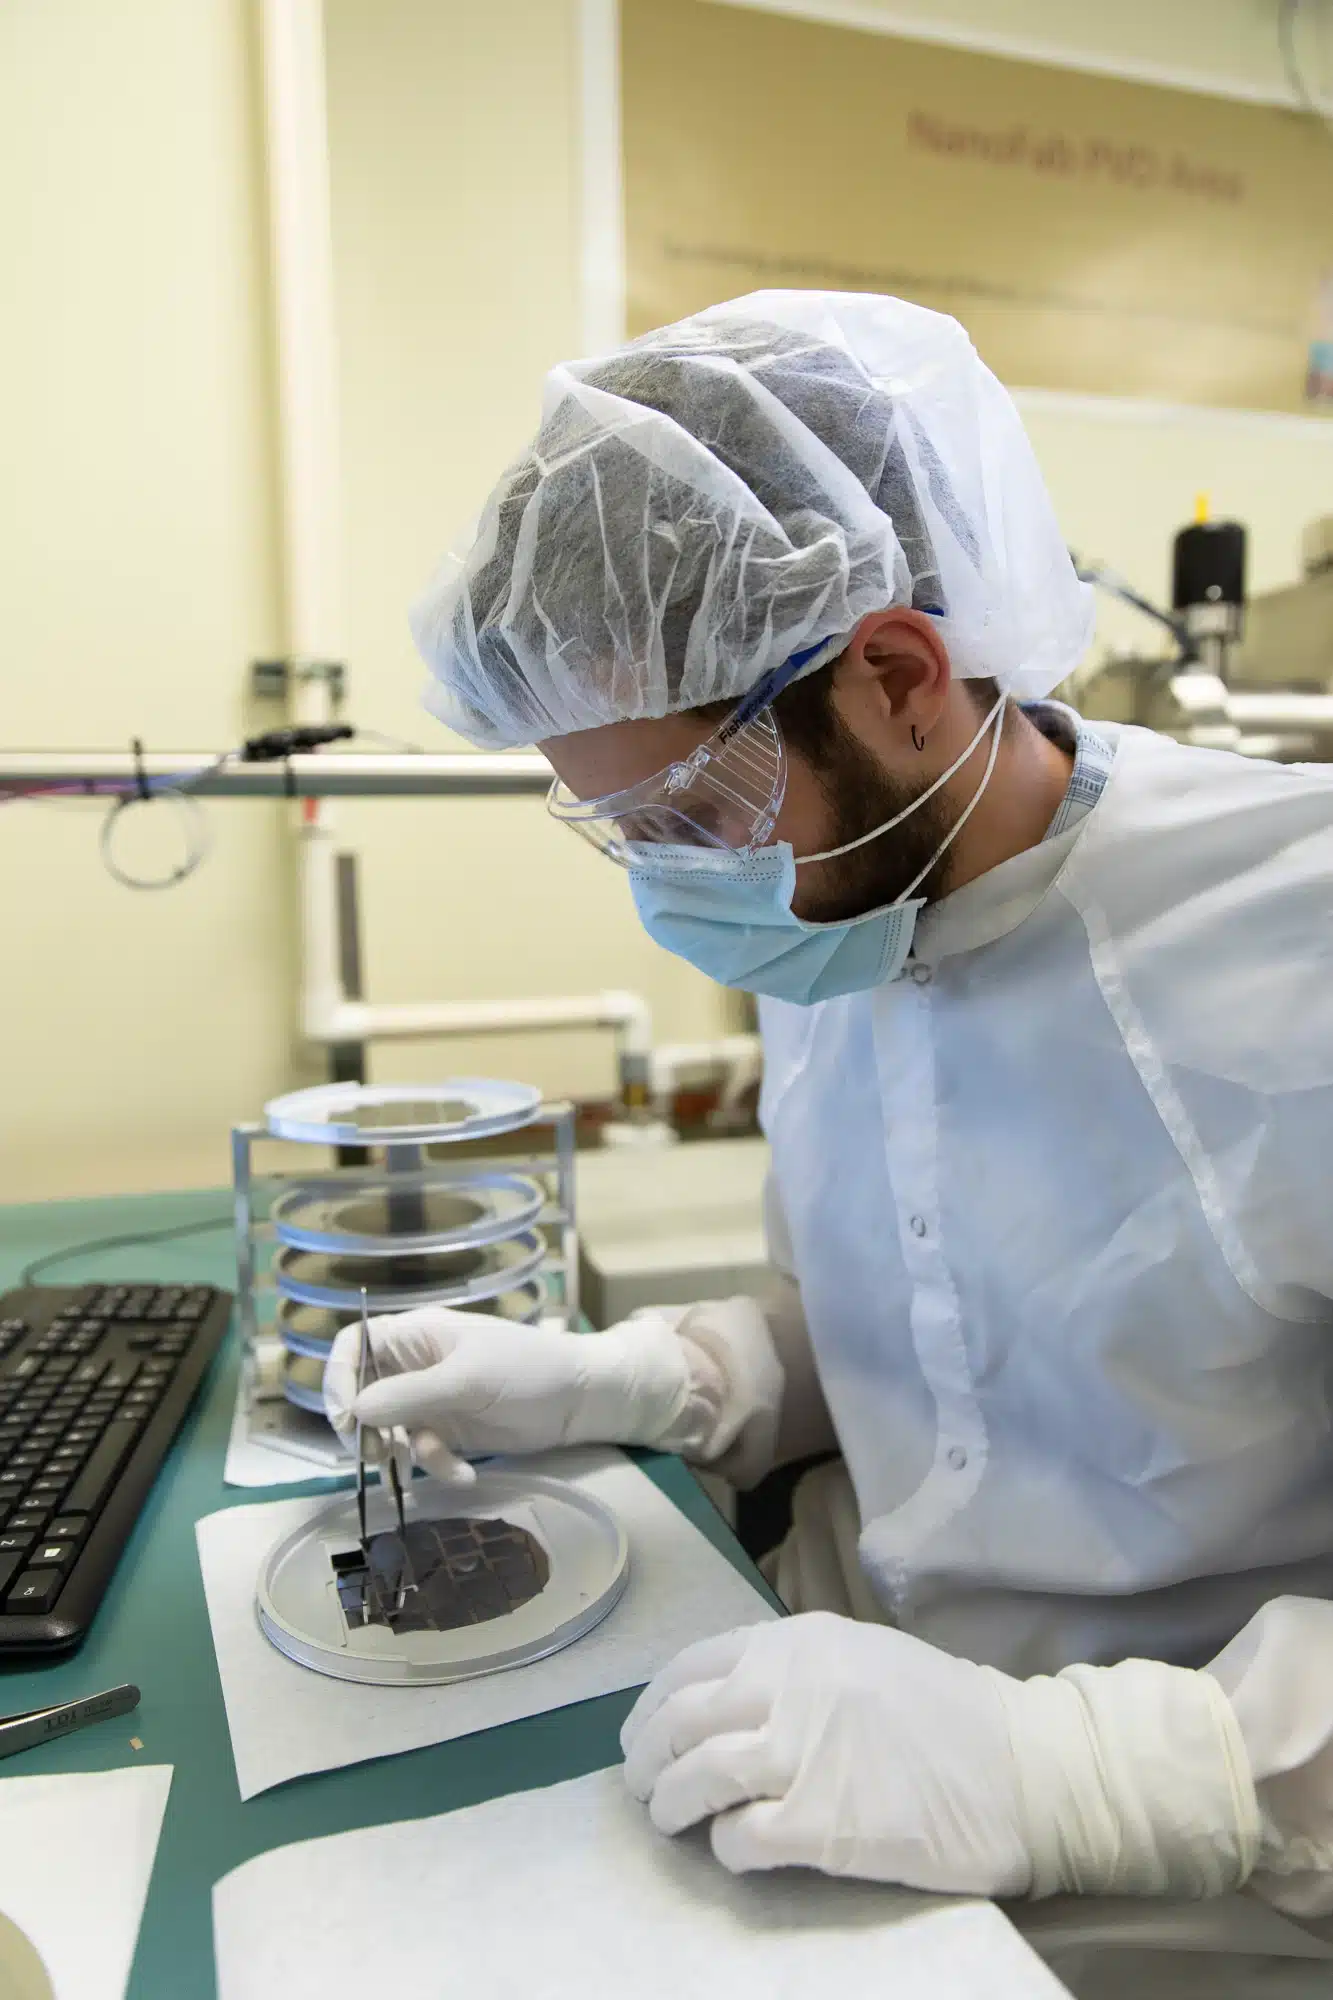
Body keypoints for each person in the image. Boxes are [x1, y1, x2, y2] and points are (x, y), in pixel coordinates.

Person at [325, 292, 1333, 1994]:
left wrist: (1079, 1779)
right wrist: (639, 1378)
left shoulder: (1290, 950)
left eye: (693, 814)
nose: (672, 884)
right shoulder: (842, 899)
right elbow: (915, 1326)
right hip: (803, 1706)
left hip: (1208, 1862)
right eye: (618, 828)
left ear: (897, 673)